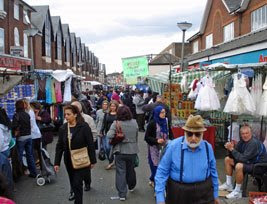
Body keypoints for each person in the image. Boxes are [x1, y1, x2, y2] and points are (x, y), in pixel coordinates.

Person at [155, 115, 219, 204]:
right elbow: (162, 172)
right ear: (185, 132)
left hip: (204, 193)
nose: (193, 138)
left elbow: (213, 172)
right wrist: (160, 199)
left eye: (197, 134)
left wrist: (215, 194)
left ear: (202, 134)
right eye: (189, 134)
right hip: (179, 194)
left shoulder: (207, 147)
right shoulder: (173, 147)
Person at [54, 105, 96, 204]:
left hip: (82, 158)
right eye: (65, 114)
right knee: (73, 182)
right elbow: (59, 146)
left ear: (75, 115)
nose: (66, 116)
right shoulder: (63, 128)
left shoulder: (84, 126)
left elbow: (90, 144)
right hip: (68, 159)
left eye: (68, 114)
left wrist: (93, 160)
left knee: (77, 183)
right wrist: (57, 163)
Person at [219, 124, 267, 199]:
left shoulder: (253, 143)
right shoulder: (242, 142)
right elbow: (234, 156)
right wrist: (230, 149)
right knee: (227, 159)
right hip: (250, 162)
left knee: (239, 165)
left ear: (250, 133)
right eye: (243, 134)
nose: (245, 135)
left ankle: (238, 192)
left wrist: (232, 149)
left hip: (259, 165)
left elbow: (243, 159)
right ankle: (229, 185)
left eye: (247, 133)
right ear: (240, 135)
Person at [107, 106, 139, 201]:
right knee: (131, 169)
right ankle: (132, 185)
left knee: (121, 172)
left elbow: (109, 135)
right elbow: (136, 135)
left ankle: (122, 194)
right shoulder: (134, 122)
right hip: (132, 150)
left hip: (120, 150)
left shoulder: (116, 123)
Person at [71, 101, 97, 192]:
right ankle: (77, 184)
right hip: (72, 150)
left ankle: (87, 182)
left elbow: (94, 132)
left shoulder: (88, 119)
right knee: (74, 168)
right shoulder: (67, 119)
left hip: (85, 149)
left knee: (85, 167)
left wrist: (91, 144)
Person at [144, 106, 173, 188]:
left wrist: (172, 141)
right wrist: (156, 140)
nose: (164, 114)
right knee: (155, 167)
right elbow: (147, 137)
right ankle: (158, 189)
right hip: (154, 148)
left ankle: (153, 179)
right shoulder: (152, 123)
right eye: (162, 112)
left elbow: (170, 133)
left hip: (165, 147)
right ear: (157, 113)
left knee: (164, 167)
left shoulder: (166, 121)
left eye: (164, 112)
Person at [12, 99, 37, 178]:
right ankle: (33, 172)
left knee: (18, 156)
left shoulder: (16, 115)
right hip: (29, 136)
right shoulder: (27, 114)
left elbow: (14, 126)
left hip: (21, 138)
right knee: (29, 155)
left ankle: (18, 174)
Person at [24, 100, 42, 169]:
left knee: (34, 151)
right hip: (35, 134)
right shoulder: (30, 111)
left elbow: (31, 124)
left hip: (34, 135)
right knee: (36, 151)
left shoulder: (30, 112)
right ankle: (39, 164)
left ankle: (38, 165)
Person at [101, 100, 119, 170]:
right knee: (107, 148)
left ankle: (116, 162)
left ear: (116, 107)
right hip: (108, 133)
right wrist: (102, 131)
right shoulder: (107, 114)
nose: (112, 107)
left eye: (114, 106)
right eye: (111, 106)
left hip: (116, 134)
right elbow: (104, 123)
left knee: (117, 149)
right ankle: (111, 160)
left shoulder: (118, 114)